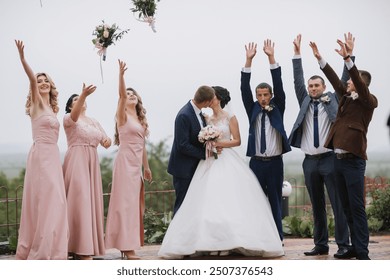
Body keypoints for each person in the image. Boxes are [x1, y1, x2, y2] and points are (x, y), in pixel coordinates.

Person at [158, 86, 284, 259]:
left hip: (226, 159)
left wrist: (219, 144)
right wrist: (209, 143)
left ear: (219, 99)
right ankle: (209, 242)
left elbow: (237, 140)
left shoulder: (230, 117)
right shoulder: (206, 118)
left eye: (214, 97)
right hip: (209, 160)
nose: (211, 100)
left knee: (228, 200)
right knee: (208, 201)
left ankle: (230, 242)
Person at [309, 33, 378, 260]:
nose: (346, 83)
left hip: (353, 162)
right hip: (337, 161)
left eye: (350, 81)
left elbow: (356, 81)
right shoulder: (345, 98)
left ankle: (363, 251)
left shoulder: (368, 101)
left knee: (357, 208)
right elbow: (335, 81)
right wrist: (321, 59)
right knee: (346, 207)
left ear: (361, 84)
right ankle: (352, 248)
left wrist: (349, 60)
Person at [288, 34, 350, 257]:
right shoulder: (304, 99)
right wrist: (297, 54)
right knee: (317, 206)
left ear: (324, 87)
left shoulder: (333, 98)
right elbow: (297, 79)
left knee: (338, 203)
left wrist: (347, 57)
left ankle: (344, 244)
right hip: (309, 161)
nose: (313, 88)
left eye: (317, 85)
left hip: (330, 159)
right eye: (311, 86)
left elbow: (341, 81)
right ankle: (321, 244)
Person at [14, 40, 68, 260]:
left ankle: (54, 247)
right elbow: (30, 78)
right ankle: (41, 251)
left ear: (51, 85)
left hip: (53, 156)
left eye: (46, 80)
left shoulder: (52, 109)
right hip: (41, 156)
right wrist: (23, 59)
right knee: (48, 200)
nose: (42, 83)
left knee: (57, 201)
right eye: (39, 81)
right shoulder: (36, 103)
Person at [240, 40, 291, 241]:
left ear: (271, 96)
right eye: (259, 95)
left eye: (265, 95)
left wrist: (271, 57)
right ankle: (257, 236)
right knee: (256, 201)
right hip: (256, 162)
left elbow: (278, 83)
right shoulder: (251, 108)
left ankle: (277, 238)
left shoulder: (278, 106)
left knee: (276, 201)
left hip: (275, 162)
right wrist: (248, 60)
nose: (262, 98)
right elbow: (244, 86)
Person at [105, 60, 152, 260]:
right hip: (124, 164)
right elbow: (122, 95)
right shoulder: (122, 116)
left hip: (136, 166)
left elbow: (142, 146)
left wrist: (146, 168)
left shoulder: (140, 121)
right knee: (125, 204)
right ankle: (126, 248)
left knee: (133, 205)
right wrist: (121, 75)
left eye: (134, 95)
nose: (130, 96)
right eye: (128, 95)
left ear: (138, 100)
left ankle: (129, 245)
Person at [62, 84, 112, 260]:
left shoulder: (94, 121)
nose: (79, 101)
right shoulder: (69, 117)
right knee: (80, 200)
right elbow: (75, 116)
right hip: (76, 159)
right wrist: (83, 94)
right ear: (70, 106)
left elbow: (106, 141)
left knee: (90, 202)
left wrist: (107, 140)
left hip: (92, 161)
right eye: (75, 100)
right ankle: (77, 247)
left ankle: (86, 245)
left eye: (80, 99)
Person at [167, 85, 215, 215]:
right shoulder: (184, 115)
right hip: (183, 169)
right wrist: (205, 154)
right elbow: (182, 145)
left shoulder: (199, 113)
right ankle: (176, 235)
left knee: (194, 206)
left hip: (195, 168)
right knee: (182, 206)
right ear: (206, 102)